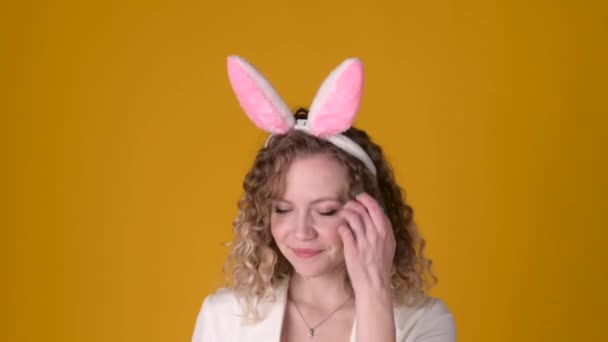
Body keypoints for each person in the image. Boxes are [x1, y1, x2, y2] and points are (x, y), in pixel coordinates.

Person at [192, 56, 456, 342]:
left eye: (326, 211)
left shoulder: (426, 322)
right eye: (282, 209)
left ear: (371, 214)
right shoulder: (223, 319)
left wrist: (373, 293)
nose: (301, 231)